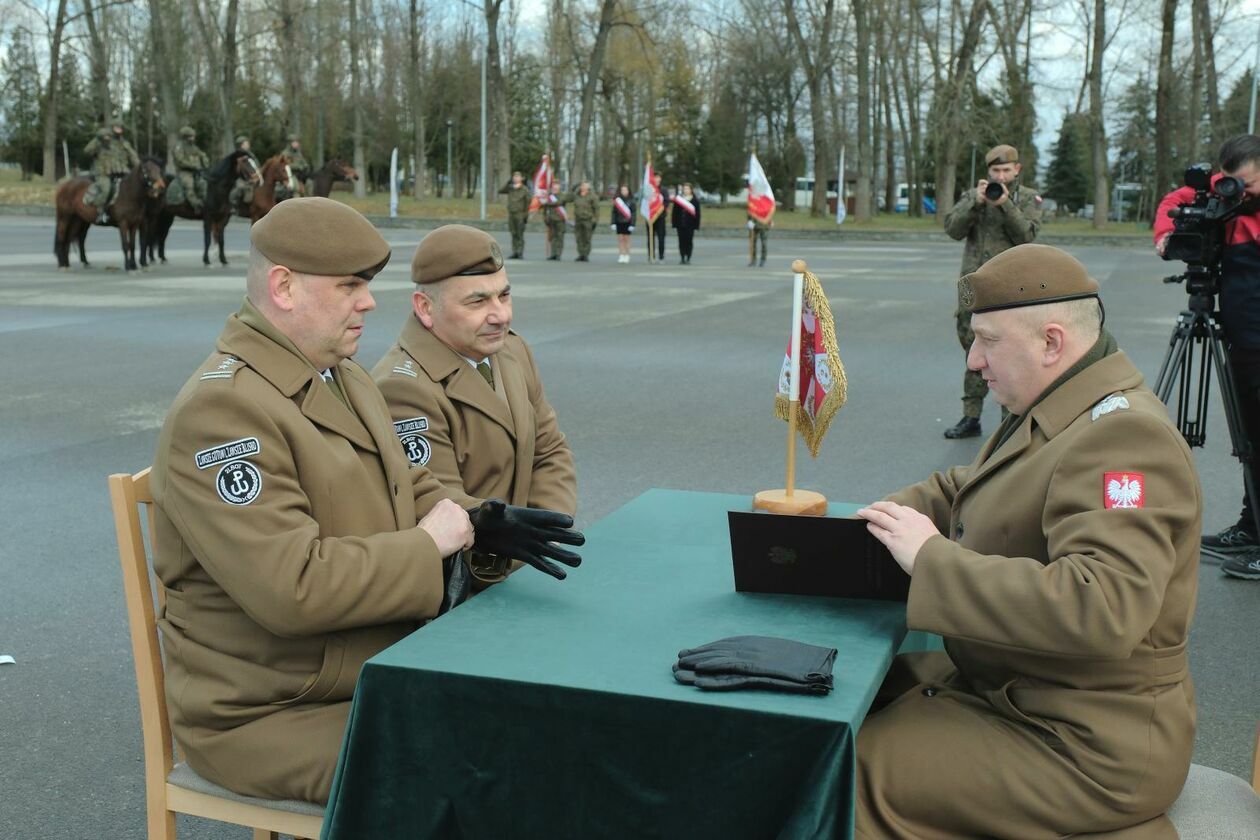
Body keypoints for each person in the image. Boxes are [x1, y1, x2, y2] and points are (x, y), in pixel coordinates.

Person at [149, 198, 582, 804]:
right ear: (284, 288)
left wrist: (480, 523)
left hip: (371, 670)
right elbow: (291, 587)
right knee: (479, 776)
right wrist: (430, 544)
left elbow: (407, 485)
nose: (369, 302)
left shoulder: (341, 374)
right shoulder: (224, 411)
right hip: (273, 711)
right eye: (351, 286)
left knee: (551, 721)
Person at [853, 244, 1200, 839]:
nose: (973, 360)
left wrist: (931, 559)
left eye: (987, 340)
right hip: (1025, 692)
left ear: (1051, 342)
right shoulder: (1059, 408)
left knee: (853, 771)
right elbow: (977, 486)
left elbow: (1104, 606)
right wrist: (890, 518)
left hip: (1085, 742)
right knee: (842, 698)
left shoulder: (1124, 439)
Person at [373, 224, 577, 584]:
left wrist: (543, 537)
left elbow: (549, 452)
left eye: (504, 295)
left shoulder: (511, 350)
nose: (501, 315)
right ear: (425, 307)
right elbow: (441, 505)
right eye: (478, 301)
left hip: (525, 567)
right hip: (467, 584)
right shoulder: (403, 387)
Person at [1155, 133, 1260, 580]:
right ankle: (1251, 527)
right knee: (1252, 440)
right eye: (1234, 184)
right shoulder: (1224, 195)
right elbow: (1176, 200)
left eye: (1251, 185)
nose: (1241, 193)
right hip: (1243, 338)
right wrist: (1165, 233)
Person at [941, 143, 1042, 440]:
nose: (1001, 176)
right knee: (974, 350)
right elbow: (952, 229)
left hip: (1011, 288)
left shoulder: (1027, 197)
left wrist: (1006, 204)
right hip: (974, 286)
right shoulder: (975, 196)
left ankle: (1009, 422)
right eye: (996, 171)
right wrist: (976, 201)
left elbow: (1027, 235)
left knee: (1010, 352)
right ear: (988, 172)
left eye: (1006, 170)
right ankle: (970, 417)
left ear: (1017, 169)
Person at [82, 117, 140, 224]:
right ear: (112, 127)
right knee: (106, 189)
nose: (119, 129)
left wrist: (139, 167)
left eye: (120, 127)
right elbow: (87, 151)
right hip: (103, 173)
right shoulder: (103, 140)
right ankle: (100, 212)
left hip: (122, 172)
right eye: (116, 127)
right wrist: (98, 139)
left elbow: (133, 156)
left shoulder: (124, 143)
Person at [171, 125, 210, 212]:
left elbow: (201, 154)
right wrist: (193, 165)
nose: (193, 138)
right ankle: (195, 204)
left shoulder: (193, 147)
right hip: (184, 172)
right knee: (189, 184)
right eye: (191, 136)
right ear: (186, 137)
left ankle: (206, 200)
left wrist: (205, 160)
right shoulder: (179, 147)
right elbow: (180, 160)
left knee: (204, 183)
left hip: (196, 171)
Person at [498, 171, 531, 259]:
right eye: (514, 177)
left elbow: (528, 204)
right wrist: (508, 183)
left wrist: (525, 216)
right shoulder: (510, 188)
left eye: (517, 176)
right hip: (511, 214)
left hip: (520, 214)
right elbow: (501, 191)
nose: (515, 178)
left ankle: (520, 252)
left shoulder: (525, 189)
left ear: (521, 178)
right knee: (513, 233)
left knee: (519, 234)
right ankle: (515, 251)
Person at [228, 134, 259, 214]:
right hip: (241, 178)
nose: (248, 145)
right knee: (239, 187)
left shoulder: (250, 154)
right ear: (241, 145)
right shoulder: (237, 155)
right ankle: (233, 205)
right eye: (246, 143)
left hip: (254, 176)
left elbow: (256, 164)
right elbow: (236, 169)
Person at [671, 183, 701, 264]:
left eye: (687, 189)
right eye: (684, 189)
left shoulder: (695, 200)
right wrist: (674, 223)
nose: (686, 190)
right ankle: (682, 257)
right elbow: (674, 213)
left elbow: (698, 214)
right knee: (681, 241)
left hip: (690, 225)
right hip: (680, 224)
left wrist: (696, 225)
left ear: (691, 190)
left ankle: (688, 257)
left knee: (689, 241)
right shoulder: (679, 200)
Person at [570, 181, 600, 262]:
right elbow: (568, 197)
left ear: (588, 187)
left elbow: (596, 209)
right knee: (579, 238)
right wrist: (574, 187)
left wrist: (595, 220)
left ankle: (585, 254)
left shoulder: (592, 196)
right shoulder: (576, 195)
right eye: (582, 185)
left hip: (588, 220)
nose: (582, 187)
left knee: (587, 238)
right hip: (578, 220)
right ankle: (581, 254)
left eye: (584, 186)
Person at [277, 133, 309, 201]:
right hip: (289, 175)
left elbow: (304, 163)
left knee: (309, 184)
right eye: (295, 142)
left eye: (297, 142)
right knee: (295, 188)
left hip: (300, 175)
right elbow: (286, 165)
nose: (297, 144)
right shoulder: (285, 153)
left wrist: (305, 166)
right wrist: (298, 167)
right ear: (290, 143)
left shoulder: (298, 153)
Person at [543, 182, 569, 261]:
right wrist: (545, 219)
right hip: (551, 220)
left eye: (556, 188)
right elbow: (545, 210)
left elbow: (558, 203)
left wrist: (546, 203)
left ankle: (558, 254)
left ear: (559, 189)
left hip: (560, 220)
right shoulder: (549, 197)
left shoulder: (562, 196)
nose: (554, 189)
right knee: (552, 238)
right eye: (553, 188)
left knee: (559, 237)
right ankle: (553, 254)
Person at [611, 183, 636, 264]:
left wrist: (632, 224)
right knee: (620, 239)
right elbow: (614, 212)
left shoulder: (631, 201)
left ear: (628, 191)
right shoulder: (617, 201)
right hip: (619, 222)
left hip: (628, 222)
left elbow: (633, 213)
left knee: (627, 239)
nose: (624, 191)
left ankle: (627, 255)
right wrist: (613, 223)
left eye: (625, 190)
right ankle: (621, 255)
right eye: (622, 190)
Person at [647, 171, 668, 262]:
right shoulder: (649, 190)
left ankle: (661, 256)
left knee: (661, 237)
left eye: (659, 177)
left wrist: (659, 210)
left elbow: (666, 202)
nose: (657, 179)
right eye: (655, 177)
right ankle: (651, 256)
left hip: (660, 216)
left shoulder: (663, 190)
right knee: (650, 237)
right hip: (650, 217)